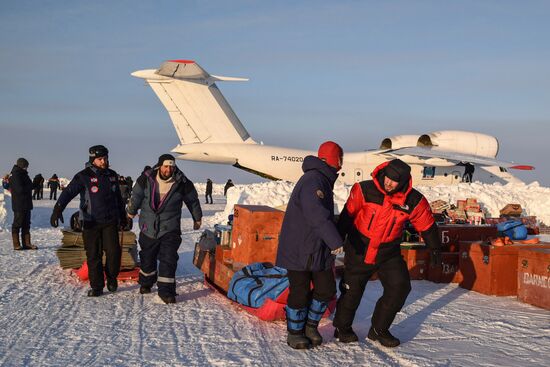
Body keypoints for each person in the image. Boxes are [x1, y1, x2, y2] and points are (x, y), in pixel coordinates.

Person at [333, 158, 442, 347]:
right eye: (387, 178)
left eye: (394, 181)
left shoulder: (413, 200)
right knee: (352, 291)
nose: (388, 183)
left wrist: (435, 249)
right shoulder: (364, 189)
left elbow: (427, 224)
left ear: (403, 182)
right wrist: (336, 239)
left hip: (388, 252)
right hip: (360, 247)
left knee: (400, 287)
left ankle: (379, 329)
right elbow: (347, 216)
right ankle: (342, 328)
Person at [275, 141, 345, 349]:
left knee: (326, 288)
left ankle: (310, 326)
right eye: (340, 160)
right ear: (334, 160)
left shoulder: (321, 179)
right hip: (300, 248)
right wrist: (335, 241)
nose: (341, 165)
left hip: (317, 249)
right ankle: (295, 332)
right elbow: (317, 215)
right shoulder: (313, 180)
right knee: (300, 291)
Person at [50, 145, 127, 297]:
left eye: (105, 158)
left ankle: (111, 278)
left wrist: (122, 216)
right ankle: (97, 286)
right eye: (100, 159)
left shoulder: (112, 175)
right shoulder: (83, 176)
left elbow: (118, 197)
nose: (104, 161)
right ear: (93, 160)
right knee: (94, 255)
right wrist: (57, 210)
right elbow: (68, 193)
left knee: (114, 252)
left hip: (110, 221)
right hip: (90, 222)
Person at [127, 154, 202, 304]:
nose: (169, 169)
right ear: (160, 166)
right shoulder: (146, 178)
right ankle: (146, 282)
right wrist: (131, 212)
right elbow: (136, 196)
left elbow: (192, 200)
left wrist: (197, 217)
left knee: (169, 259)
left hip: (170, 228)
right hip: (148, 226)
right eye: (166, 166)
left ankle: (166, 291)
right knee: (148, 258)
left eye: (171, 166)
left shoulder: (182, 182)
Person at [9, 158, 37, 250]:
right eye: (26, 166)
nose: (27, 168)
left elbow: (29, 186)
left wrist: (36, 183)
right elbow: (20, 189)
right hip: (19, 204)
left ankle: (27, 243)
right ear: (22, 166)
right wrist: (29, 186)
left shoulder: (24, 175)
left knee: (26, 224)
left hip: (26, 204)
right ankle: (16, 244)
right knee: (17, 224)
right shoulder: (16, 175)